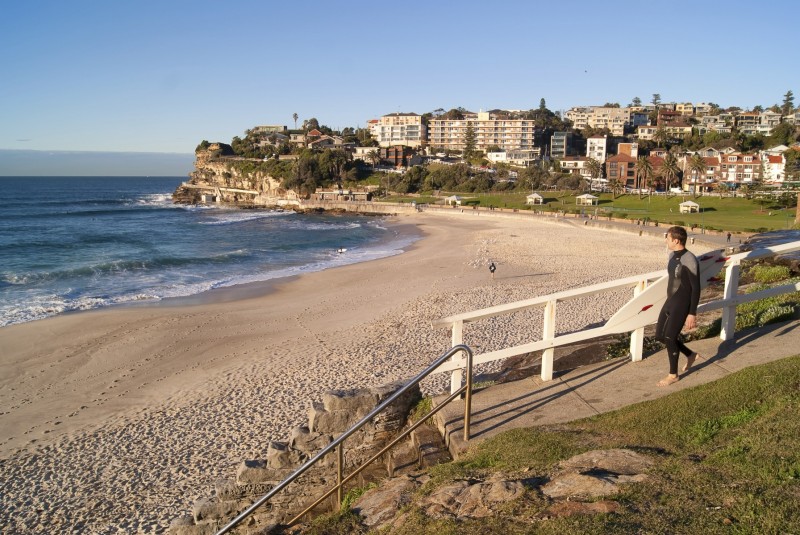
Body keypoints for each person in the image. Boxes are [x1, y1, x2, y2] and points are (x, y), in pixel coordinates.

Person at [655, 226, 701, 387]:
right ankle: (690, 354)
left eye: (667, 238)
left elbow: (696, 288)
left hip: (682, 303)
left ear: (676, 240)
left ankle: (673, 375)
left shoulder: (690, 259)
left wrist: (692, 313)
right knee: (660, 336)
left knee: (669, 337)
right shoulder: (672, 255)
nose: (666, 241)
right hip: (670, 301)